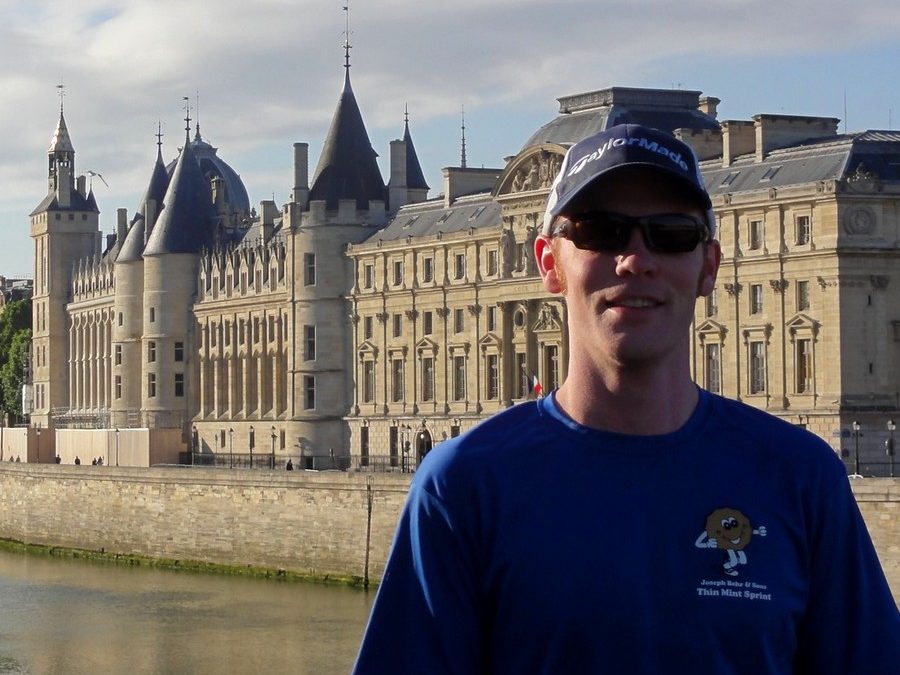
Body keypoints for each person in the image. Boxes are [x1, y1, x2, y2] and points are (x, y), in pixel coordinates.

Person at [352, 124, 899, 674]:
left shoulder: (802, 480)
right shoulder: (461, 488)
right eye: (601, 231)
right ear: (548, 263)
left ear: (709, 265)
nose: (635, 260)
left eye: (671, 233)